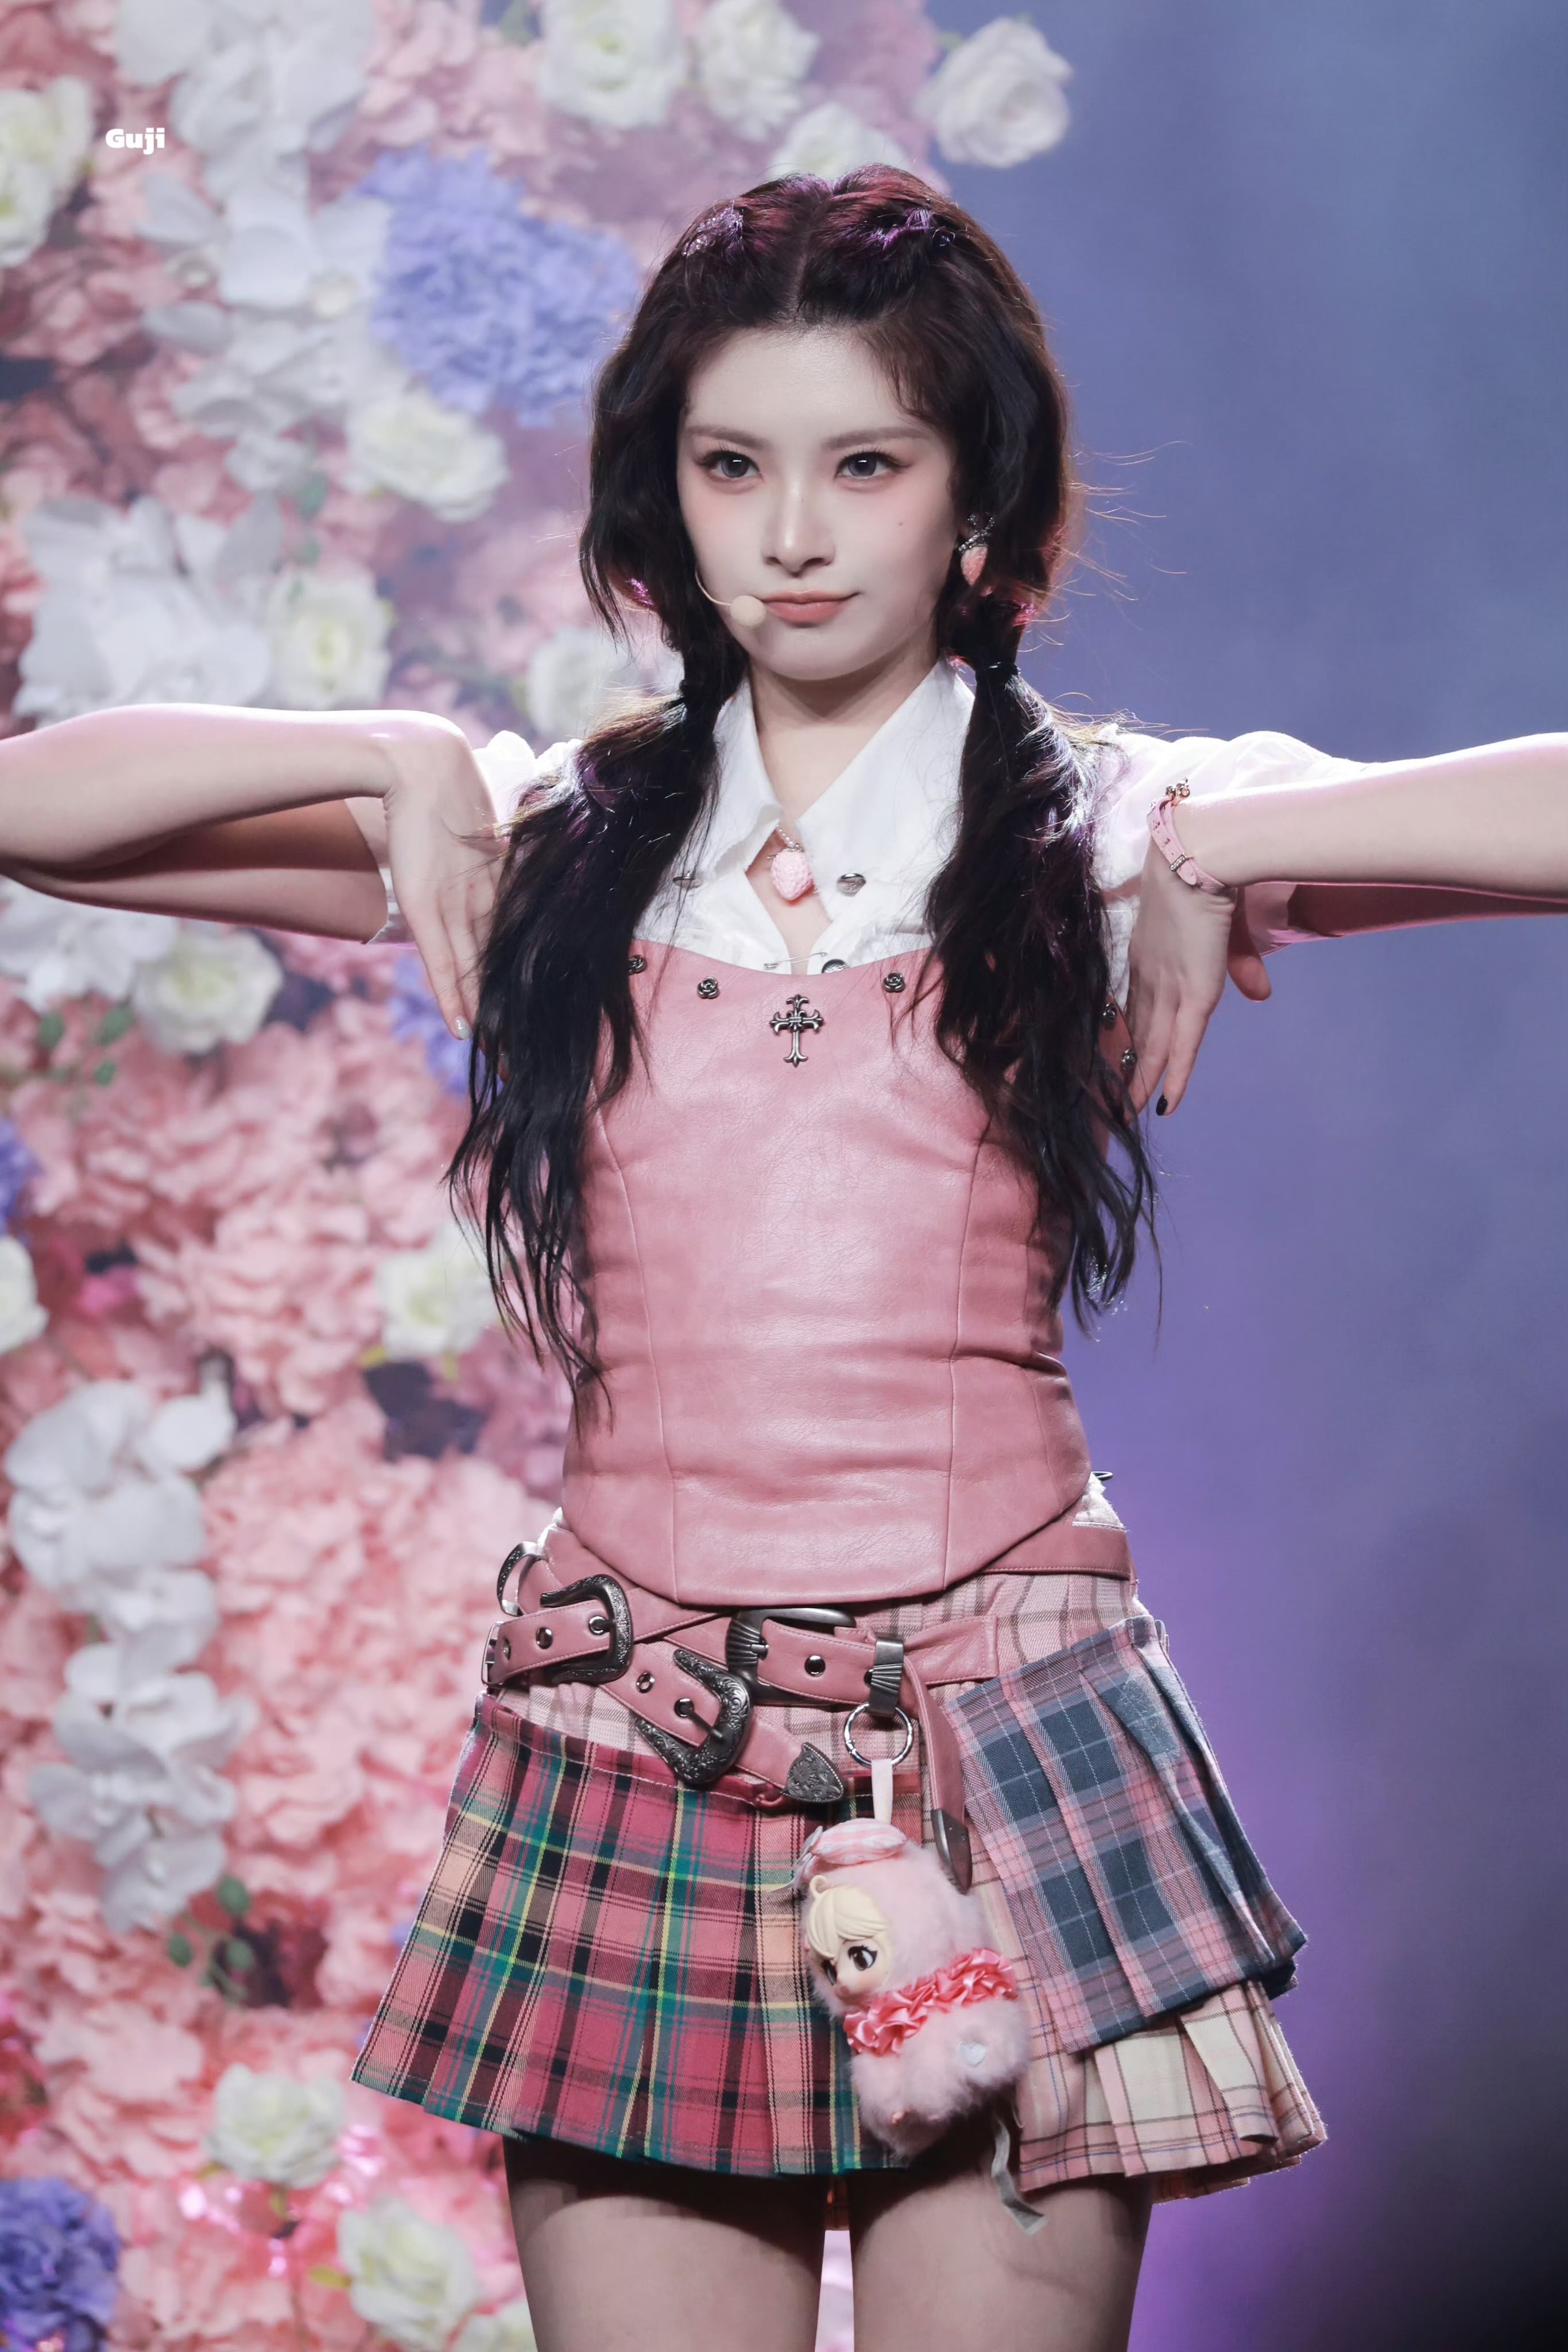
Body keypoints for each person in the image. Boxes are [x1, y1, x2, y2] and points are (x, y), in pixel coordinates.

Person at [1, 172, 1563, 2352]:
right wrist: (382, 757)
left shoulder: (1100, 825)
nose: (796, 536)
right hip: (634, 1734)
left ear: (973, 500)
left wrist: (1226, 841)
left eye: (866, 466)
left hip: (1000, 1729)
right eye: (733, 467)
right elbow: (35, 806)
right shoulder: (552, 838)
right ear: (666, 497)